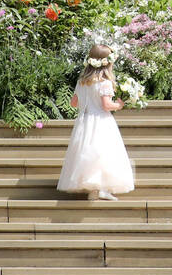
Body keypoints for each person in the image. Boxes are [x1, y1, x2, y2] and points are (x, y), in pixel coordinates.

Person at [57, 44, 135, 201]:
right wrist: (119, 105)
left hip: (84, 121)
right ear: (108, 63)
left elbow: (73, 103)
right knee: (103, 153)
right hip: (101, 121)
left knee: (86, 152)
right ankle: (102, 188)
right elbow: (106, 105)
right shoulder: (104, 82)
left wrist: (88, 104)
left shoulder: (82, 82)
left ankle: (93, 189)